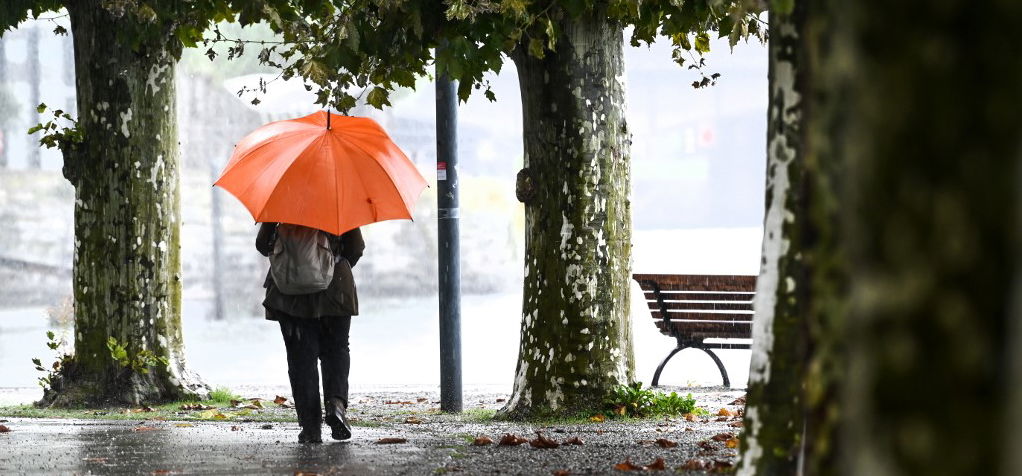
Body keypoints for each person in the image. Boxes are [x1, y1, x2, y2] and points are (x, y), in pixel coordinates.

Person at [256, 222, 365, 444]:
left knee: (300, 360)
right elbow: (356, 247)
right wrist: (329, 265)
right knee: (336, 349)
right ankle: (335, 405)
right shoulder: (337, 198)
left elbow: (262, 245)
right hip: (336, 290)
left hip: (290, 295)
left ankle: (310, 428)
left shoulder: (280, 198)